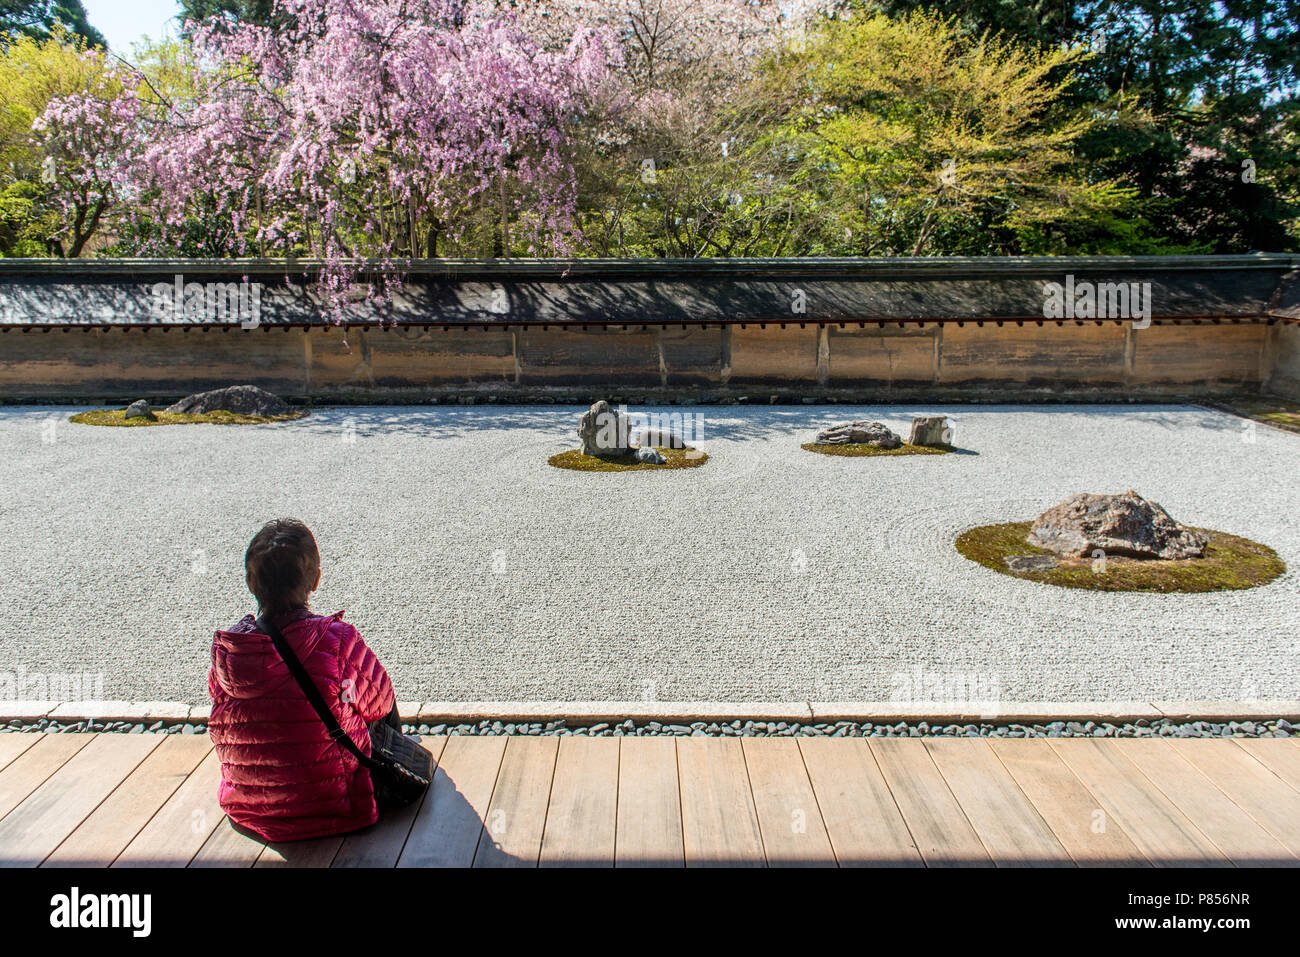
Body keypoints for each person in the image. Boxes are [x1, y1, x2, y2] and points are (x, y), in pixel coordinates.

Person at [208, 518, 399, 842]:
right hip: (338, 808)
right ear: (316, 580)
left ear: (251, 584)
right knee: (373, 696)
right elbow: (380, 702)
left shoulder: (230, 651)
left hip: (248, 807)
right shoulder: (337, 640)